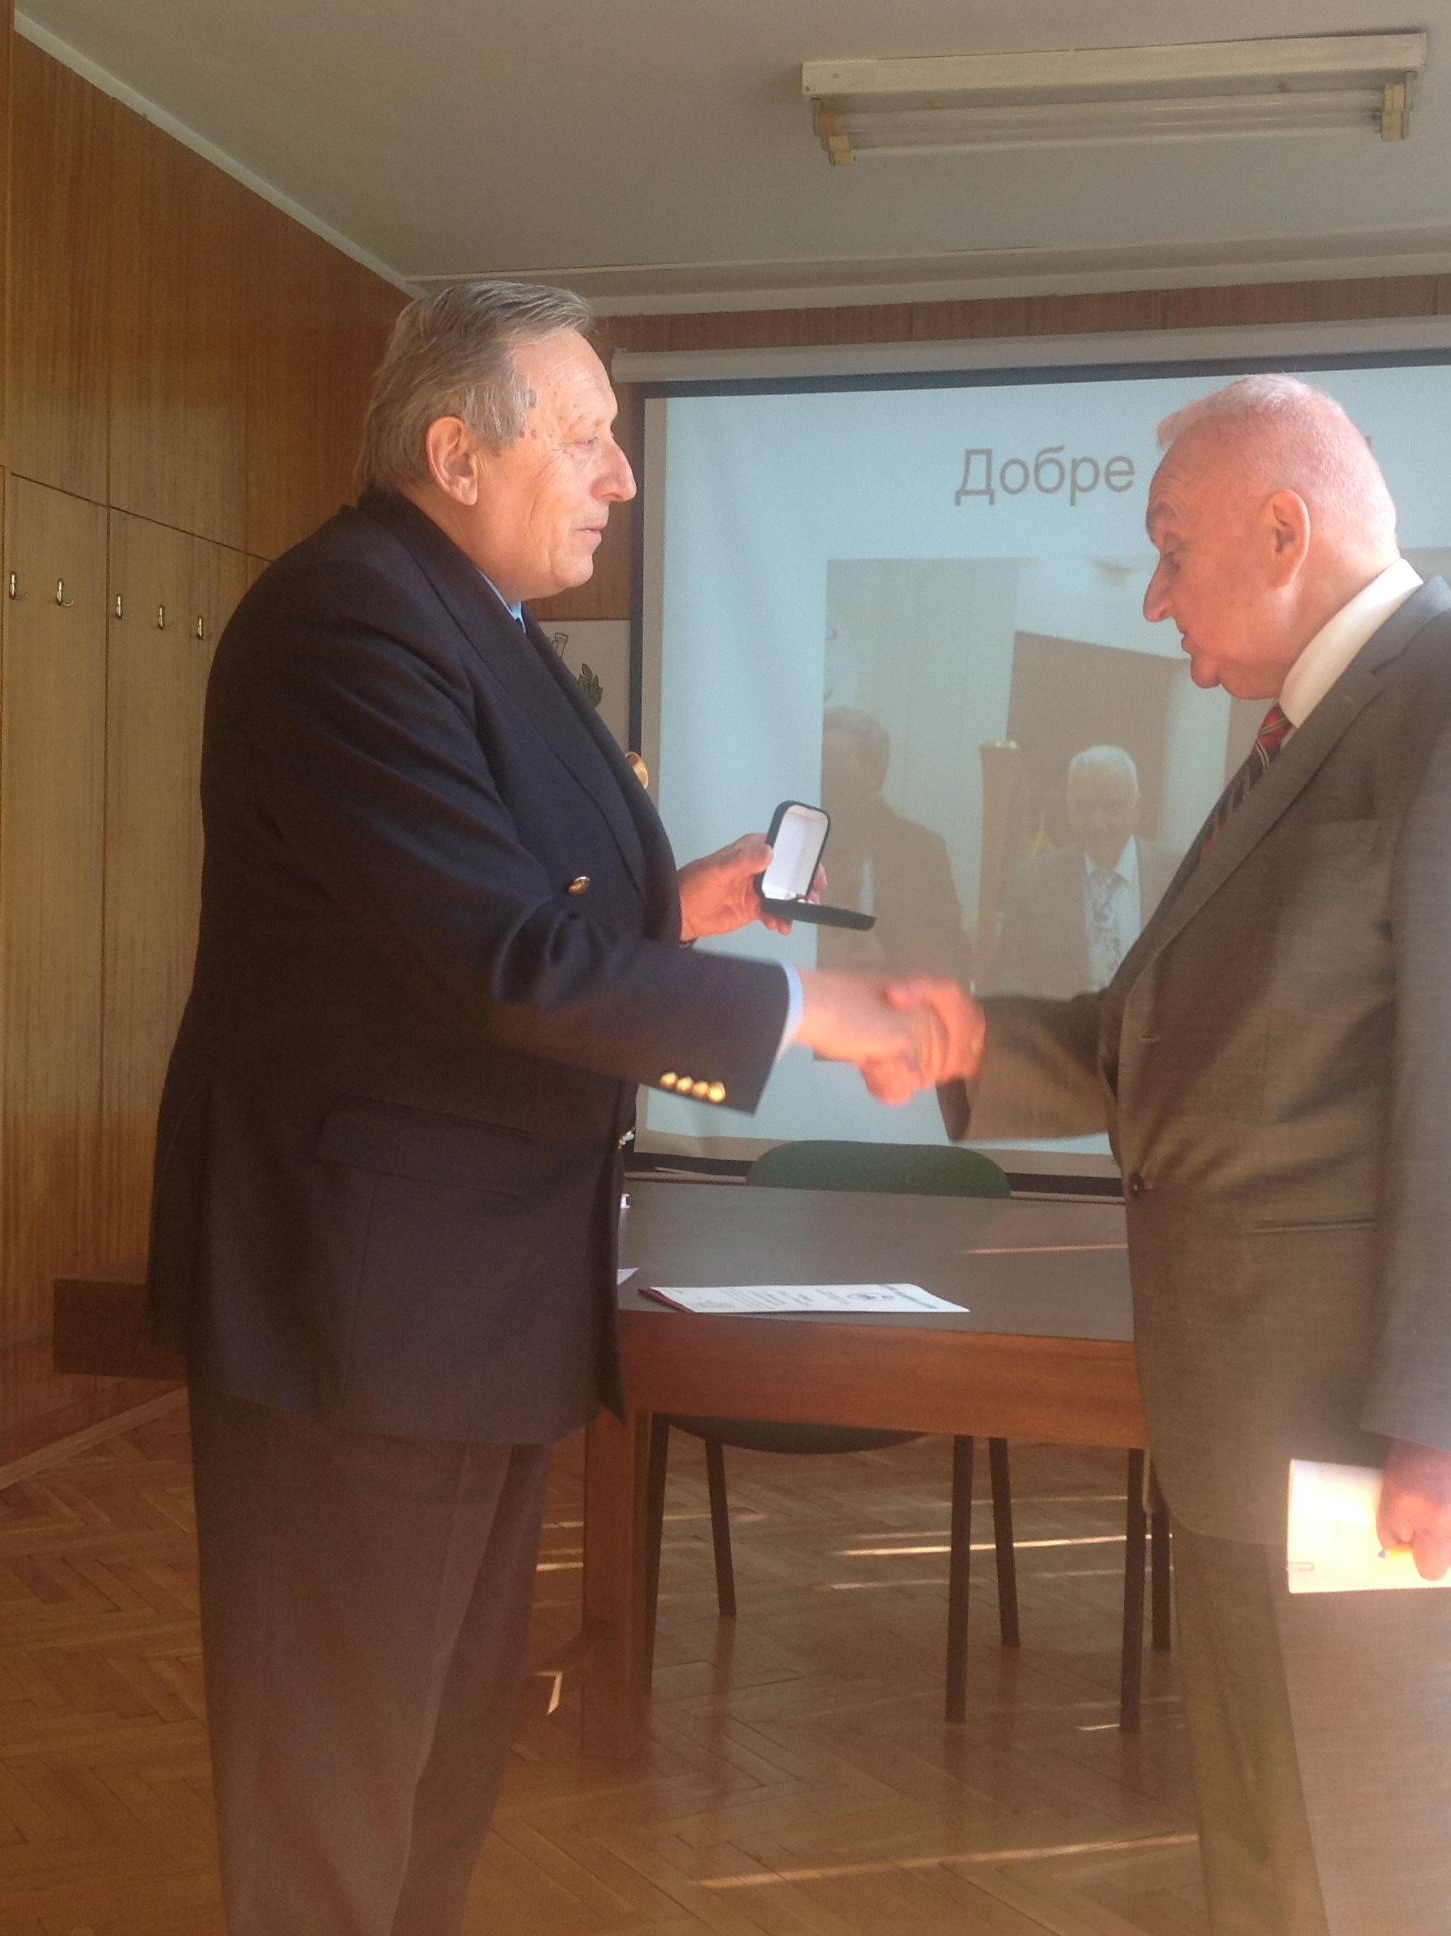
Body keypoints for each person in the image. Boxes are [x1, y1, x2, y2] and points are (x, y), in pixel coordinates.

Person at [143, 281, 947, 1936]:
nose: (621, 476)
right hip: (365, 1316)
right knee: (333, 1795)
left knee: (437, 1768)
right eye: (585, 437)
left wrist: (678, 908)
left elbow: (507, 914)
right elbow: (504, 961)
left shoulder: (475, 617)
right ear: (457, 454)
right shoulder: (348, 623)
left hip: (470, 1303)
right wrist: (809, 1011)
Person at [893, 374, 1451, 1935]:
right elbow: (1173, 1041)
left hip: (1387, 1450)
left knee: (1405, 1883)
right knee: (1279, 1875)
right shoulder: (1300, 735)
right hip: (1251, 1435)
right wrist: (957, 1042)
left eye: (1171, 550)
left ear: (1286, 529)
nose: (1152, 596)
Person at [983, 745, 1182, 996]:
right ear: (1069, 809)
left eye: (1112, 807)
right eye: (1084, 808)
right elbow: (1011, 975)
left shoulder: (1177, 875)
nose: (1098, 824)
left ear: (1137, 809)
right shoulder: (1032, 882)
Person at [815, 706, 973, 982]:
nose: (824, 786)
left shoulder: (922, 854)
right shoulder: (792, 848)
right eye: (819, 771)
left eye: (836, 771)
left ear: (874, 776)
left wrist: (890, 966)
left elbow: (953, 962)